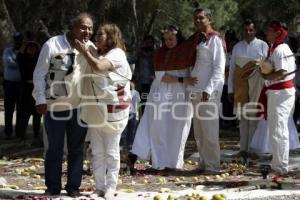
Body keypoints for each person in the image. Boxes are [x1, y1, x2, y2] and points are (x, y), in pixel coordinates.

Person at [32, 13, 93, 197]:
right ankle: (53, 187)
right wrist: (40, 99)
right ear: (73, 27)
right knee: (54, 149)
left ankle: (73, 187)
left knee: (76, 149)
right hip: (54, 108)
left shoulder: (90, 47)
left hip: (79, 107)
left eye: (90, 28)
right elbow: (39, 73)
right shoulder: (53, 44)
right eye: (83, 27)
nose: (87, 31)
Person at [129, 25, 197, 173]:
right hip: (162, 92)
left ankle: (175, 163)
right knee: (159, 127)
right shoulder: (159, 53)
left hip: (182, 94)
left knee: (179, 127)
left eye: (171, 38)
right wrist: (183, 80)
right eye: (165, 39)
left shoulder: (187, 51)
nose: (168, 42)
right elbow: (161, 77)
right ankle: (158, 162)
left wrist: (188, 85)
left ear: (178, 37)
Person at [74, 23, 132, 198]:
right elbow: (92, 53)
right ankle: (99, 187)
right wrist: (87, 48)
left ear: (111, 37)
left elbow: (98, 66)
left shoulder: (117, 54)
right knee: (96, 151)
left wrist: (85, 51)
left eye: (101, 34)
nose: (96, 37)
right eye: (96, 34)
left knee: (111, 152)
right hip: (96, 110)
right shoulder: (100, 53)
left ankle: (110, 187)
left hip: (114, 112)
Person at [189, 8, 226, 173]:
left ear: (209, 19)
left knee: (210, 129)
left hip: (208, 91)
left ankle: (213, 165)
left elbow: (219, 68)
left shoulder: (215, 40)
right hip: (196, 90)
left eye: (201, 18)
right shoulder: (199, 40)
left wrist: (209, 88)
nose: (197, 21)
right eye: (195, 18)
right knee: (199, 131)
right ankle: (203, 162)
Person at [257, 21, 296, 175]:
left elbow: (281, 72)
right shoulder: (275, 49)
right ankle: (277, 164)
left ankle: (280, 166)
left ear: (278, 33)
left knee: (279, 130)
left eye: (269, 31)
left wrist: (266, 75)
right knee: (275, 129)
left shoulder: (281, 49)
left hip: (281, 93)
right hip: (276, 92)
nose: (266, 33)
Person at [227, 19, 269, 159]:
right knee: (243, 119)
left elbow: (267, 68)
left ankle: (252, 149)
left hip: (257, 86)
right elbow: (232, 69)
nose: (248, 32)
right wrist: (230, 90)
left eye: (251, 30)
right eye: (245, 30)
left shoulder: (263, 46)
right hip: (241, 86)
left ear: (255, 30)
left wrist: (266, 88)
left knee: (254, 118)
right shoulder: (237, 47)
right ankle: (243, 149)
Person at [16, 41, 42, 141]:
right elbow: (19, 55)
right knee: (24, 114)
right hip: (25, 90)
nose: (31, 49)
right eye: (29, 48)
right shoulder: (22, 59)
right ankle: (22, 136)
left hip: (36, 89)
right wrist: (26, 44)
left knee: (37, 114)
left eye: (33, 48)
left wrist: (37, 45)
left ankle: (36, 135)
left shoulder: (39, 59)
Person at [2, 32, 23, 139]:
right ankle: (8, 132)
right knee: (9, 109)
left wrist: (18, 62)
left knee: (21, 109)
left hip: (21, 85)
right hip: (9, 84)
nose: (18, 42)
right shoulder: (7, 51)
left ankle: (19, 133)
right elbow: (8, 62)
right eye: (16, 39)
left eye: (19, 40)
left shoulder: (24, 52)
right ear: (14, 40)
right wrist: (21, 63)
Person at [132, 35, 155, 114]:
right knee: (143, 103)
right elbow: (130, 60)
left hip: (153, 83)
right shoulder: (139, 54)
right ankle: (143, 121)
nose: (149, 44)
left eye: (151, 42)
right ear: (144, 43)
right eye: (147, 42)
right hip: (141, 83)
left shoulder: (156, 54)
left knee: (152, 103)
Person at [120, 81, 141, 149]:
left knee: (130, 130)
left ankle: (129, 144)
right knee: (126, 130)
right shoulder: (126, 92)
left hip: (131, 113)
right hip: (127, 113)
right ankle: (125, 144)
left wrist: (138, 115)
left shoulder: (135, 93)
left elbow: (138, 104)